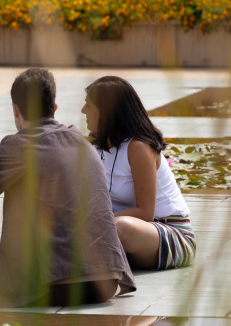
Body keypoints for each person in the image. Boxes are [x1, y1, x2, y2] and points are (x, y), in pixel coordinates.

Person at [0, 68, 135, 308]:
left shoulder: (18, 145)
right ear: (54, 108)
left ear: (15, 109)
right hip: (104, 283)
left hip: (52, 284)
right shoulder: (83, 143)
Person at [83, 75, 194, 270]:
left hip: (168, 233)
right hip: (112, 227)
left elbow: (145, 213)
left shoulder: (138, 147)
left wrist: (92, 220)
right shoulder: (95, 146)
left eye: (89, 106)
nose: (83, 111)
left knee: (122, 228)